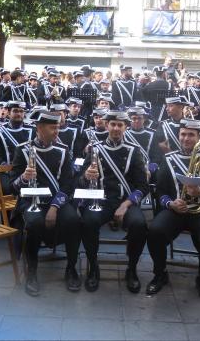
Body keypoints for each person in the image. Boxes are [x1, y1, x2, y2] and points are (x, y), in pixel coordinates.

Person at [146, 119, 200, 303]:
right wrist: (170, 204)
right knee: (154, 231)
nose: (186, 138)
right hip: (175, 211)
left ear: (199, 138)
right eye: (183, 134)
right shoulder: (169, 158)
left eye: (191, 135)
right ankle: (160, 273)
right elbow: (161, 191)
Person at [8, 111, 82, 296]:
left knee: (74, 220)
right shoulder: (23, 149)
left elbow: (68, 184)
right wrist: (24, 178)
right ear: (39, 128)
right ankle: (32, 272)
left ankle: (71, 269)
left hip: (57, 201)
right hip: (30, 200)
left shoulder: (64, 150)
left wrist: (55, 207)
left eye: (58, 127)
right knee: (34, 223)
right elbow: (12, 186)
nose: (57, 131)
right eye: (52, 128)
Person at [78, 111, 149, 293]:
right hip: (100, 200)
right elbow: (78, 180)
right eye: (113, 124)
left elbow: (142, 186)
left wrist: (126, 205)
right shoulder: (95, 148)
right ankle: (93, 267)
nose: (116, 128)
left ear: (126, 127)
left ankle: (131, 269)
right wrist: (86, 176)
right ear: (107, 125)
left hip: (125, 202)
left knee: (139, 224)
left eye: (120, 125)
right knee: (88, 222)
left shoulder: (134, 151)